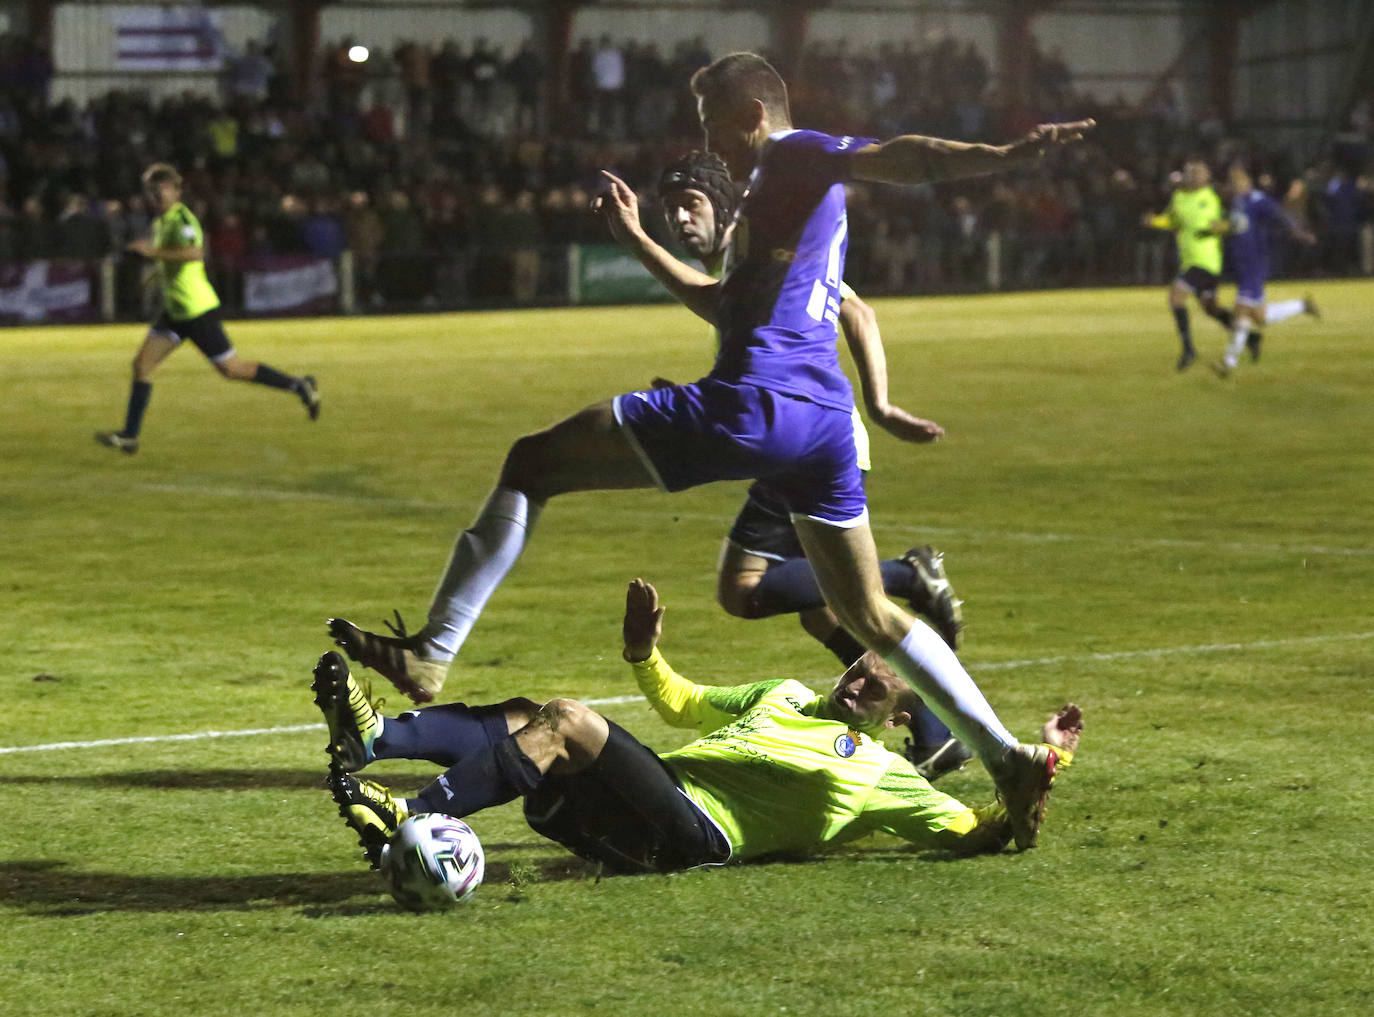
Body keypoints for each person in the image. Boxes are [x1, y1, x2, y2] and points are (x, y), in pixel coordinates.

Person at [328, 51, 1092, 849]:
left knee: (531, 462)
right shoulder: (780, 205)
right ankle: (1005, 754)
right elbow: (725, 303)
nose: (711, 147)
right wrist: (634, 241)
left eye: (713, 128)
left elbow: (901, 155)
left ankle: (430, 656)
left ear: (752, 115)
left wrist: (1003, 156)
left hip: (754, 403)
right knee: (871, 614)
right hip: (822, 423)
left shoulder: (795, 155)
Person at [318, 579, 1084, 874]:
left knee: (566, 722)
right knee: (527, 713)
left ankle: (411, 815)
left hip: (692, 837)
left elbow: (988, 830)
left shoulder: (889, 779)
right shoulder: (785, 693)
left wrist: (1047, 759)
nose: (859, 676)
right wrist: (644, 653)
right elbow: (682, 704)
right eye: (859, 664)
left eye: (880, 678)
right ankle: (377, 738)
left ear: (904, 709)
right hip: (651, 798)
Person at [654, 149, 967, 778]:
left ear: (723, 205)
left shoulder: (764, 248)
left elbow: (856, 309)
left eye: (691, 205)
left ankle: (907, 574)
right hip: (802, 434)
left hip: (811, 439)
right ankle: (937, 732)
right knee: (830, 612)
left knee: (743, 593)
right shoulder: (740, 267)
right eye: (670, 211)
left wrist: (879, 403)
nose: (680, 221)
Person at [96, 163, 319, 455]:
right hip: (175, 312)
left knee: (232, 369)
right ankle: (129, 437)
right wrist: (151, 277)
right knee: (142, 365)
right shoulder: (161, 222)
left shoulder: (182, 219)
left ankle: (298, 385)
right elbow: (169, 260)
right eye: (152, 191)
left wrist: (152, 252)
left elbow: (194, 253)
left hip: (197, 310)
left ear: (176, 191)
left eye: (162, 189)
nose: (156, 196)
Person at [1210, 161, 1320, 378]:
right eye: (1232, 181)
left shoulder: (1258, 200)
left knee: (1240, 312)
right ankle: (1302, 305)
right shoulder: (1237, 202)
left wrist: (1298, 232)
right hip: (1243, 266)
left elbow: (1279, 216)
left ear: (1248, 181)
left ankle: (1228, 364)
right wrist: (1218, 228)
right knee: (1260, 317)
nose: (1234, 185)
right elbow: (1237, 226)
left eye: (1238, 180)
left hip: (1255, 265)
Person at [1141, 160, 1235, 372]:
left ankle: (1188, 349)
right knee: (1211, 308)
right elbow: (1172, 221)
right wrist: (1154, 221)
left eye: (1196, 173)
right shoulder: (1179, 198)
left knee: (1176, 297)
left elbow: (1226, 222)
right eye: (1189, 173)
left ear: (1205, 177)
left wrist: (1220, 227)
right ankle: (1248, 336)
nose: (1192, 176)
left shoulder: (1212, 197)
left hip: (1206, 260)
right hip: (1189, 259)